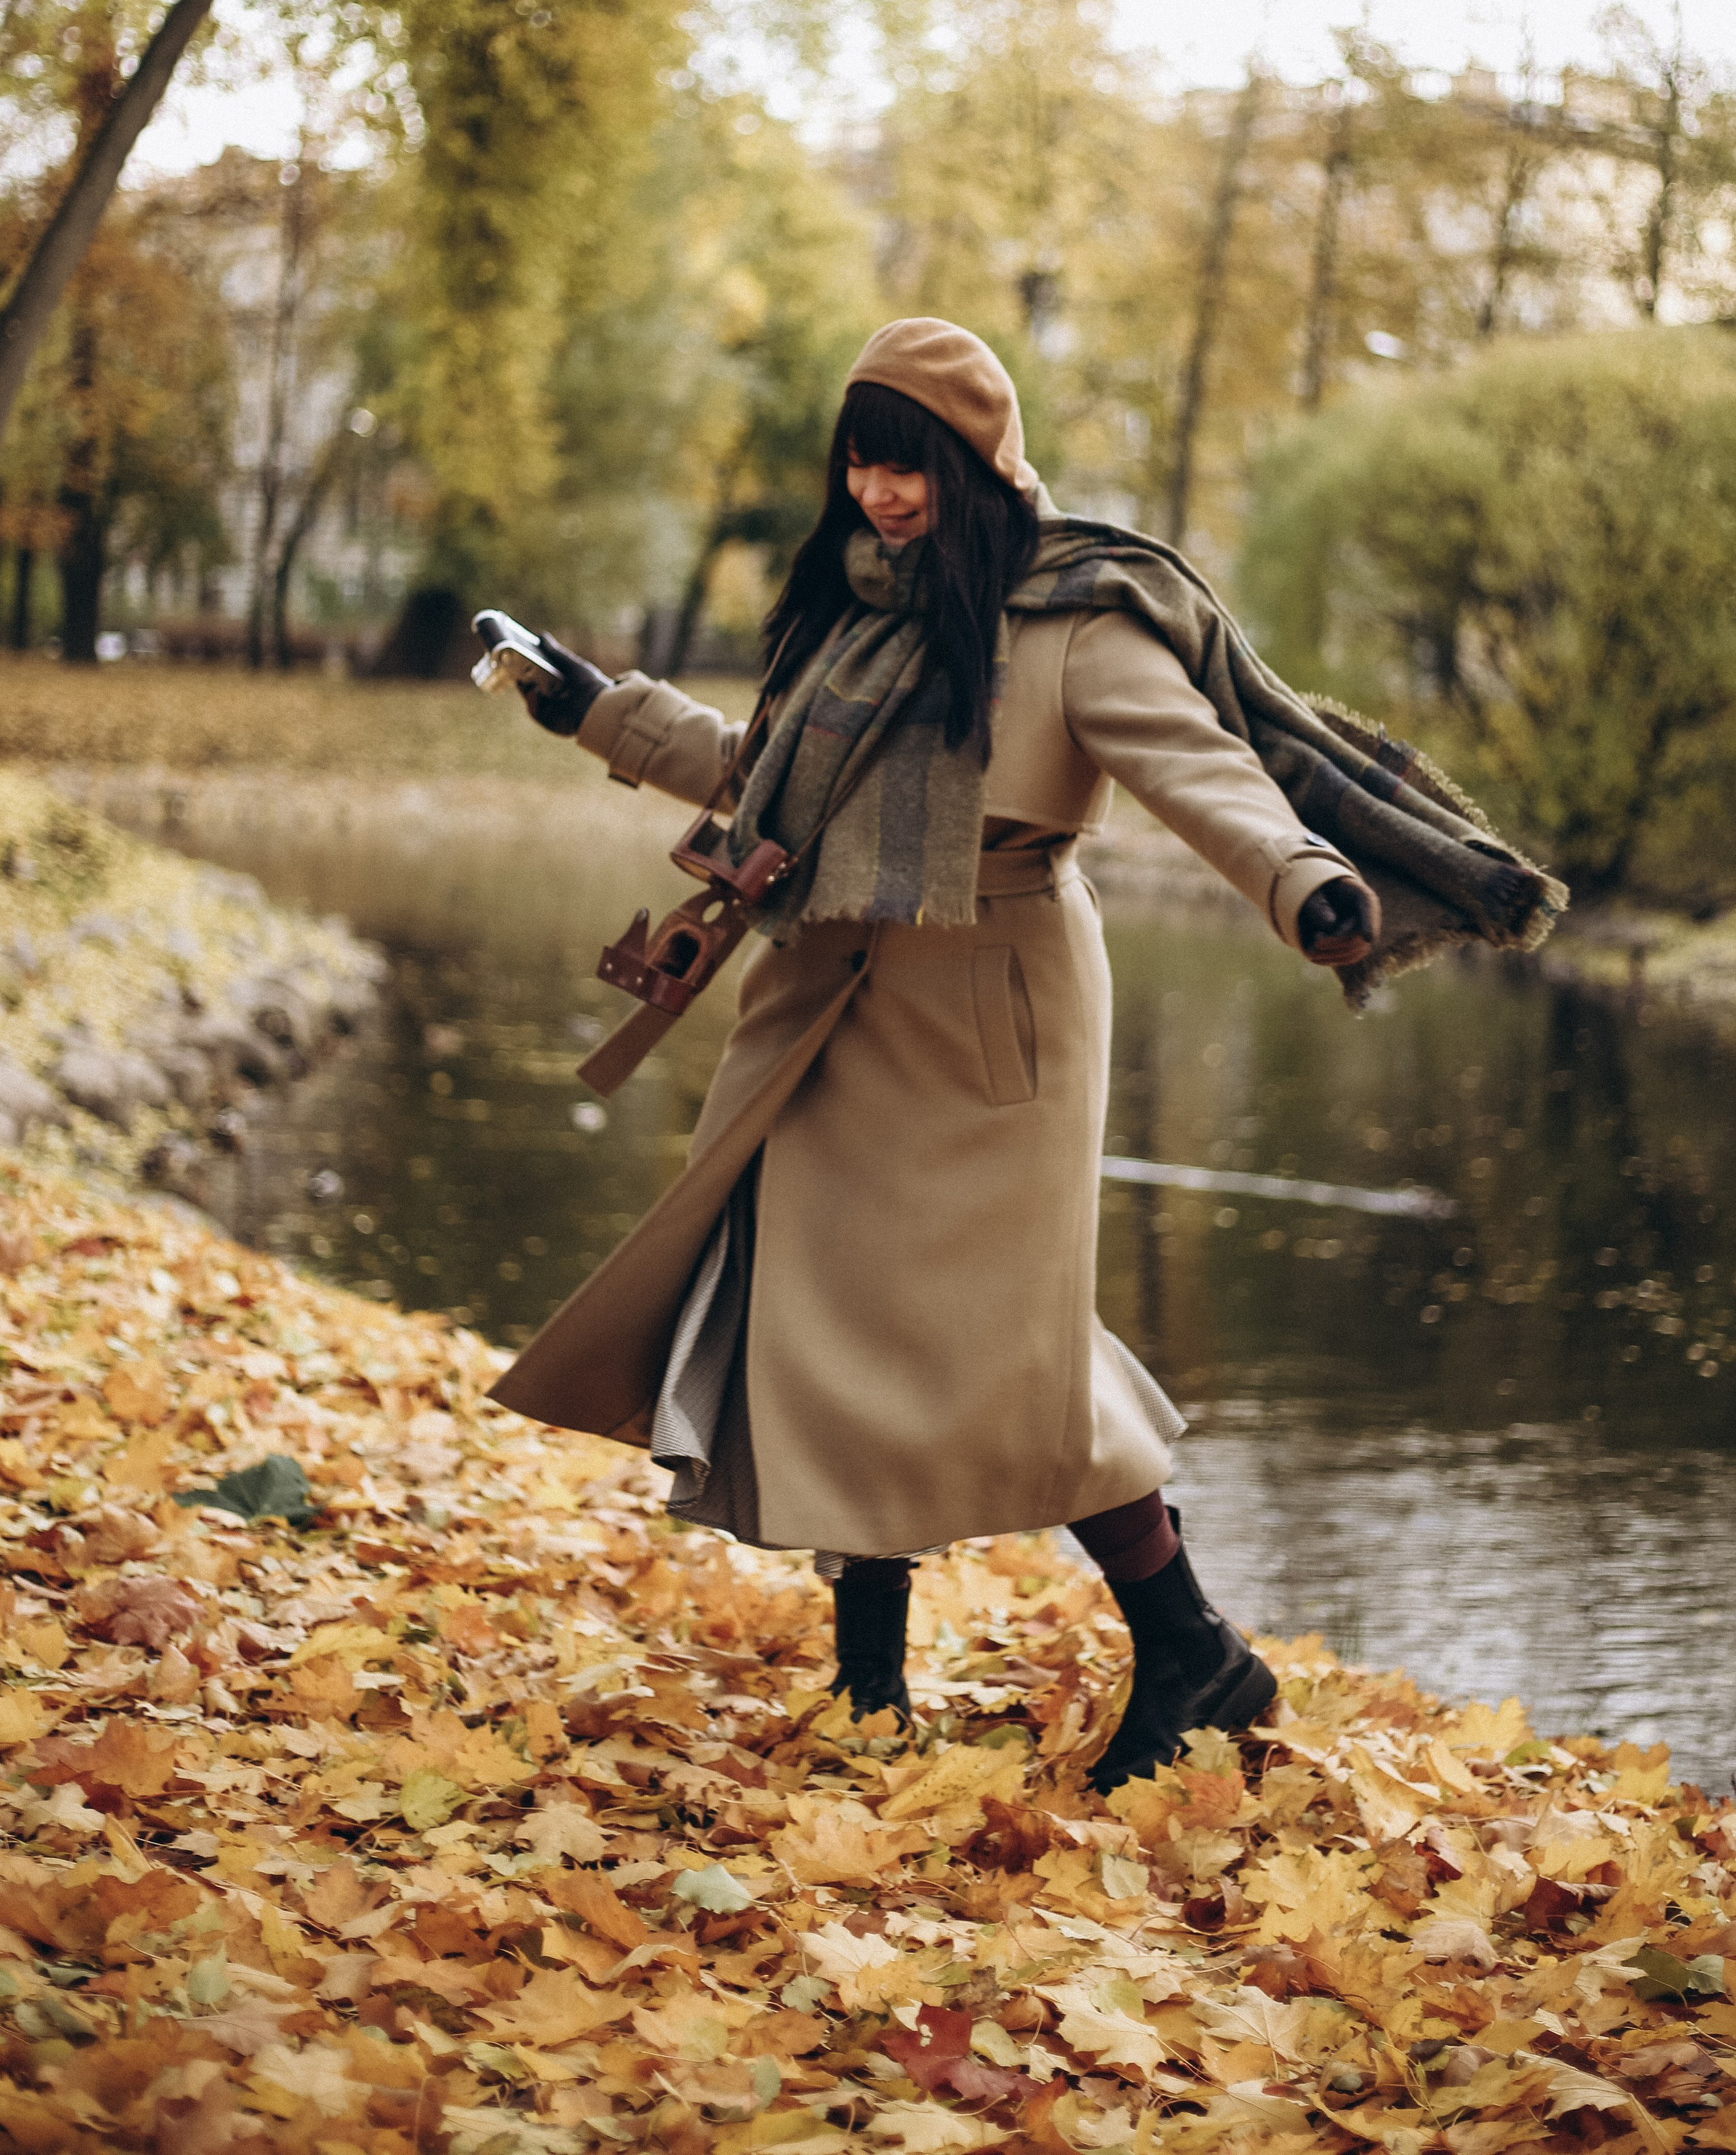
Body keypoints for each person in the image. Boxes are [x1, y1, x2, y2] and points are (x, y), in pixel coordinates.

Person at [491, 317, 1555, 1790]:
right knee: (821, 1315)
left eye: (909, 465)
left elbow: (1201, 769)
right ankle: (872, 1692)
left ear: (977, 458)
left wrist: (1298, 880)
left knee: (1012, 1353)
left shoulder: (1074, 620)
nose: (880, 493)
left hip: (995, 1007)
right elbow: (767, 773)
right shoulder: (852, 607)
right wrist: (590, 704)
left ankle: (1181, 1642)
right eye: (860, 462)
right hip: (834, 995)